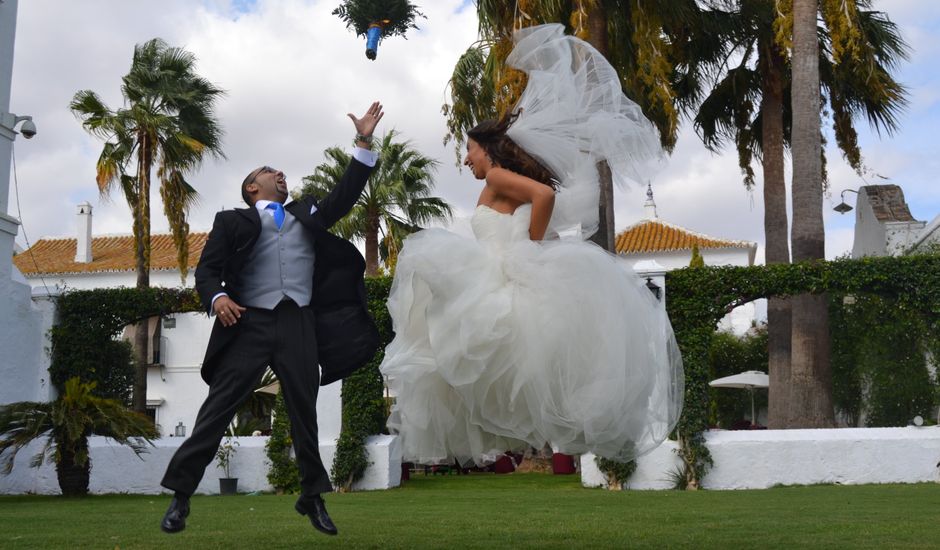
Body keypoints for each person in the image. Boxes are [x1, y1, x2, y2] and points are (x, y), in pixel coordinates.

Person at [379, 25, 684, 467]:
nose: (466, 160)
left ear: (487, 149)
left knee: (451, 330)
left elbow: (545, 196)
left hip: (504, 268)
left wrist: (530, 246)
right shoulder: (497, 181)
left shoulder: (500, 176)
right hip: (494, 268)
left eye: (469, 150)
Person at [160, 102, 385, 536]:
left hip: (298, 322)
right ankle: (180, 497)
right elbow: (207, 271)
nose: (280, 173)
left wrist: (363, 141)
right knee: (217, 409)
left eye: (281, 171)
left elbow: (347, 192)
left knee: (304, 409)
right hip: (248, 323)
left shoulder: (308, 213)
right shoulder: (232, 221)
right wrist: (218, 298)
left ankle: (312, 497)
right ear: (251, 187)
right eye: (269, 170)